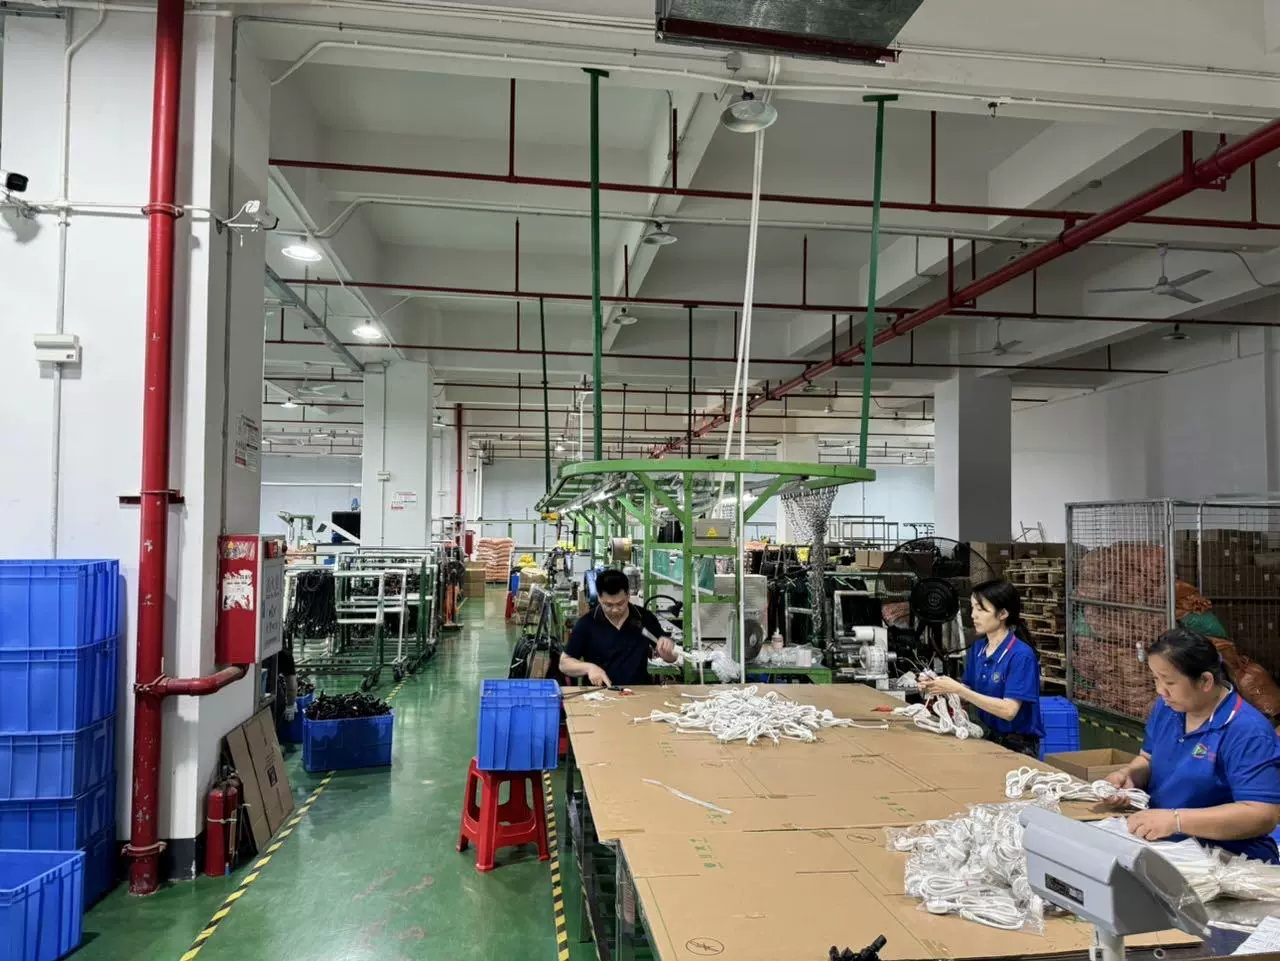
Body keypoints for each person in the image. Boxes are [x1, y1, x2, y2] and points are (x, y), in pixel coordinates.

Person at [1103, 628, 1280, 863]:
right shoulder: (1167, 708)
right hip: (1165, 844)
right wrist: (1130, 775)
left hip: (1228, 857)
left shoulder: (1247, 731)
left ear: (1205, 681)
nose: (1160, 690)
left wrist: (1176, 821)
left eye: (1169, 682)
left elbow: (1262, 814)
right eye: (1155, 679)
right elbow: (1148, 758)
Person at [919, 579, 1045, 757]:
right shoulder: (979, 649)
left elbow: (1009, 711)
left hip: (1018, 745)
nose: (973, 615)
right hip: (990, 735)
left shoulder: (1021, 655)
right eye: (972, 608)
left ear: (1003, 614)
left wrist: (957, 689)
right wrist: (938, 686)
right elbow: (967, 692)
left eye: (981, 609)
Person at [559, 569, 680, 687]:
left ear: (628, 596)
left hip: (639, 692)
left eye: (620, 603)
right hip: (601, 694)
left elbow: (671, 658)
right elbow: (564, 663)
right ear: (599, 598)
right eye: (608, 605)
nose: (615, 609)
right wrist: (589, 668)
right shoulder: (587, 623)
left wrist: (667, 651)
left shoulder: (644, 618)